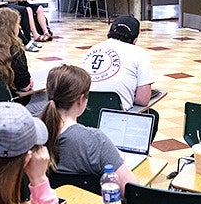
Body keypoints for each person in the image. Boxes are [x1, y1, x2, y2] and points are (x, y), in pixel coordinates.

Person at [40, 64, 137, 195]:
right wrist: (115, 157)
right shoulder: (95, 140)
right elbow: (130, 190)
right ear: (80, 100)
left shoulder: (31, 133)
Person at [82, 14, 159, 138]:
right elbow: (143, 100)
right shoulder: (139, 54)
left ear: (109, 31)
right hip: (115, 120)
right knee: (152, 115)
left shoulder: (93, 49)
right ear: (136, 37)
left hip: (84, 115)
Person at [0, 7, 46, 114]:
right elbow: (25, 87)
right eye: (17, 24)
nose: (19, 27)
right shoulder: (15, 51)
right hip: (14, 105)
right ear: (11, 27)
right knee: (52, 101)